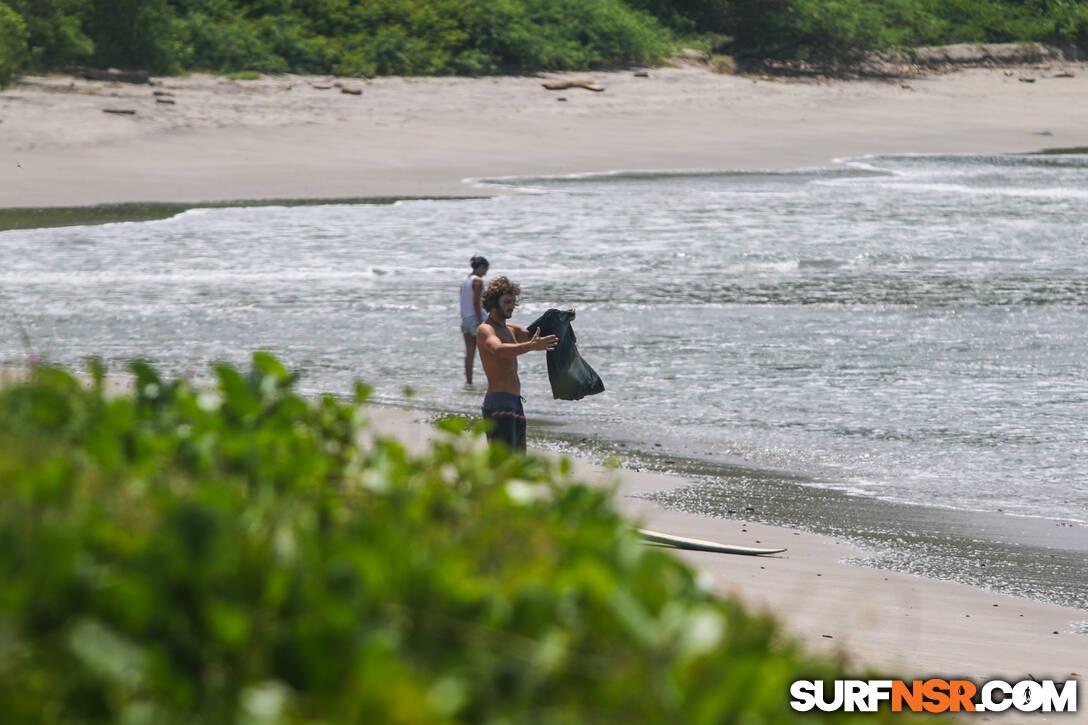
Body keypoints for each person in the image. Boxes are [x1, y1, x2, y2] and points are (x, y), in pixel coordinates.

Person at [476, 276, 560, 453]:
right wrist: (530, 347)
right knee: (503, 465)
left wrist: (563, 319)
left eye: (513, 302)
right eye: (507, 301)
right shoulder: (485, 330)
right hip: (498, 403)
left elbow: (537, 335)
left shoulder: (512, 329)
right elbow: (498, 349)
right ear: (493, 303)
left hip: (515, 403)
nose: (511, 306)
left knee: (518, 465)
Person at [459, 255, 489, 384]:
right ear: (481, 267)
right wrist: (481, 322)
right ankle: (493, 381)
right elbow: (476, 303)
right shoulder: (478, 281)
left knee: (469, 354)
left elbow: (463, 300)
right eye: (485, 269)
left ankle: (469, 382)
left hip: (465, 320)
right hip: (476, 319)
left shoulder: (464, 280)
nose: (486, 272)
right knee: (489, 353)